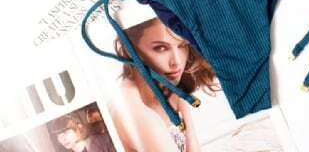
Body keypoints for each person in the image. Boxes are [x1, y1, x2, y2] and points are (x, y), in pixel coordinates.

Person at [110, 18, 220, 152]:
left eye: (182, 45)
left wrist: (182, 101)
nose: (177, 62)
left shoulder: (170, 89)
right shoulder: (129, 104)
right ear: (130, 50)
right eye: (161, 48)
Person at [49, 113, 115, 152]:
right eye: (59, 136)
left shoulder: (105, 140)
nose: (63, 139)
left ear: (79, 127)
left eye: (66, 132)